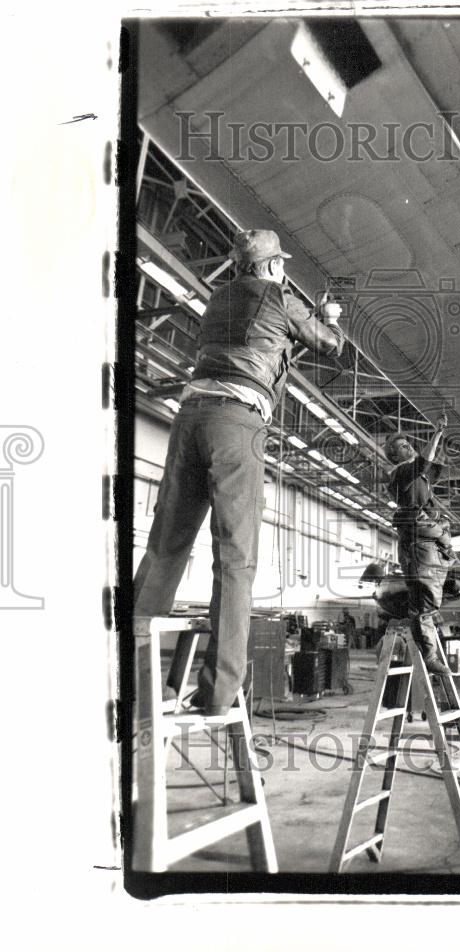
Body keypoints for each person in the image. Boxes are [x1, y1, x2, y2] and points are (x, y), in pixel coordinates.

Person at [134, 228, 344, 716]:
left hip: (189, 418)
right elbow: (331, 346)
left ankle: (139, 678)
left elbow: (259, 337)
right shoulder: (281, 295)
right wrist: (330, 317)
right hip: (237, 423)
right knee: (234, 559)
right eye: (281, 266)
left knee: (166, 544)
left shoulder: (218, 299)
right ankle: (218, 695)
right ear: (273, 266)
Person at [383, 415, 455, 674]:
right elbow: (425, 461)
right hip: (419, 539)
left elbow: (435, 464)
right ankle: (429, 655)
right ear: (395, 456)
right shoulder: (401, 474)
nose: (409, 447)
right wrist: (436, 433)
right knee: (426, 601)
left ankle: (421, 607)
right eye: (402, 447)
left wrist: (443, 437)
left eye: (408, 443)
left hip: (434, 537)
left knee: (458, 579)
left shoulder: (420, 479)